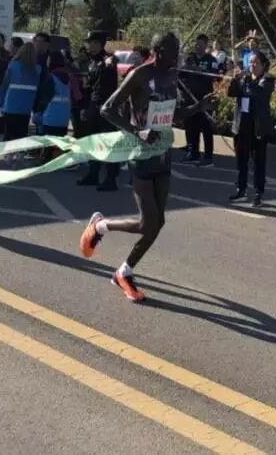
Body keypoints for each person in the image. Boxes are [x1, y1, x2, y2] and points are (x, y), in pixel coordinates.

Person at [79, 33, 212, 302]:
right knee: (148, 223)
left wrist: (199, 107)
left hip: (163, 154)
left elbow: (173, 115)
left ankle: (122, 268)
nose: (178, 55)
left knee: (156, 223)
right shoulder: (140, 75)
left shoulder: (171, 76)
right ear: (158, 50)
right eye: (173, 50)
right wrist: (137, 132)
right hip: (141, 155)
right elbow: (108, 109)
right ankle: (104, 232)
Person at [227, 50, 276, 207]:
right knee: (241, 160)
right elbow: (231, 93)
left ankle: (258, 193)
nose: (252, 65)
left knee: (258, 162)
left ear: (263, 65)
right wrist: (235, 80)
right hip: (242, 124)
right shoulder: (244, 78)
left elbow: (259, 93)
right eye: (250, 62)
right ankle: (241, 189)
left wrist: (246, 81)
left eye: (256, 62)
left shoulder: (267, 80)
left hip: (258, 126)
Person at [76, 30, 120, 191]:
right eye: (89, 43)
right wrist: (84, 106)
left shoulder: (107, 62)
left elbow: (102, 90)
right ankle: (93, 174)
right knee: (94, 142)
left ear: (100, 44)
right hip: (93, 107)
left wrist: (91, 109)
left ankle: (111, 178)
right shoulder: (92, 62)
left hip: (104, 109)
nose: (90, 46)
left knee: (107, 143)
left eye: (93, 43)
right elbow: (88, 86)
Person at [181, 33, 219, 166]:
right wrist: (185, 67)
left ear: (206, 45)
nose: (197, 47)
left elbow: (214, 77)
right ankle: (193, 152)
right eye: (196, 44)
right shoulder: (190, 58)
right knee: (191, 126)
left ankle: (208, 156)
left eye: (200, 45)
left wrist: (198, 70)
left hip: (205, 99)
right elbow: (182, 74)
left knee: (206, 127)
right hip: (190, 98)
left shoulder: (211, 60)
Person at [0, 41, 43, 141]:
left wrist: (0, 103)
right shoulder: (38, 70)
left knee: (8, 136)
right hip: (26, 109)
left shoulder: (13, 66)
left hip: (10, 107)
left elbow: (4, 86)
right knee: (20, 137)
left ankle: (9, 151)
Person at [40, 51, 74, 137]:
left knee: (48, 144)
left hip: (50, 119)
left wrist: (37, 114)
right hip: (64, 120)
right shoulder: (68, 78)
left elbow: (44, 99)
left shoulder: (51, 78)